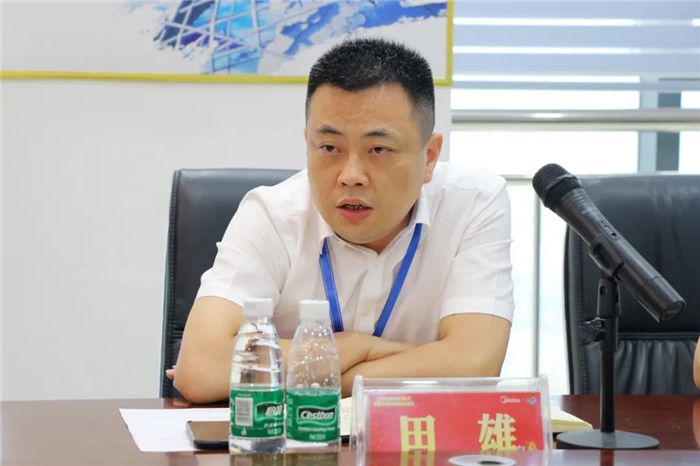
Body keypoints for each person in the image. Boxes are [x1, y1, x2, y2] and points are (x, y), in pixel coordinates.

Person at [171, 38, 514, 403]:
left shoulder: (473, 203)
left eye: (378, 149)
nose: (351, 176)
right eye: (329, 148)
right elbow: (201, 368)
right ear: (308, 143)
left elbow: (475, 363)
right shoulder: (271, 214)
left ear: (429, 157)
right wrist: (355, 347)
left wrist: (308, 370)